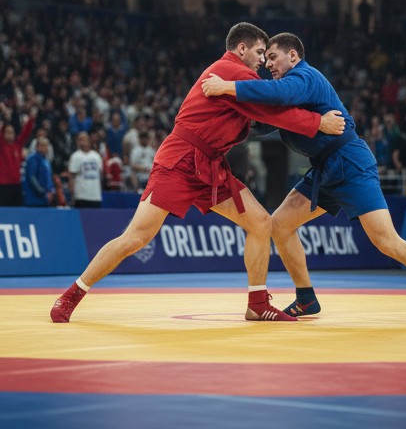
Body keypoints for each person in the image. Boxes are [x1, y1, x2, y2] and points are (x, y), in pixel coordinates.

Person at [50, 22, 347, 324]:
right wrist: (316, 123)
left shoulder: (235, 76)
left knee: (260, 222)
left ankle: (258, 303)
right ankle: (72, 293)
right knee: (137, 237)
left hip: (210, 164)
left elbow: (262, 120)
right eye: (260, 52)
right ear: (241, 49)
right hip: (180, 161)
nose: (263, 61)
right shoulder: (232, 71)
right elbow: (273, 110)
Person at [202, 32, 406, 325]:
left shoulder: (305, 77)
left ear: (293, 56)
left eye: (272, 56)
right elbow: (261, 122)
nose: (268, 64)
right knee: (279, 225)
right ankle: (306, 298)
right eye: (265, 58)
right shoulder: (289, 92)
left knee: (386, 240)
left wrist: (227, 87)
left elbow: (276, 95)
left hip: (350, 164)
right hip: (325, 169)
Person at [64, 131, 104, 208]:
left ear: (89, 141)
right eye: (80, 140)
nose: (82, 142)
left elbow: (100, 175)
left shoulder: (96, 156)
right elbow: (71, 177)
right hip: (81, 196)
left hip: (95, 196)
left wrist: (100, 191)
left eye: (84, 139)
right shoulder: (75, 156)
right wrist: (73, 195)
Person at [23, 137, 55, 207]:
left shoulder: (46, 160)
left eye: (46, 146)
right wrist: (42, 191)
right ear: (37, 147)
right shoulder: (33, 158)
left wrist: (51, 191)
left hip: (45, 199)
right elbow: (32, 177)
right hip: (34, 198)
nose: (44, 148)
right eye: (42, 145)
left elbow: (49, 178)